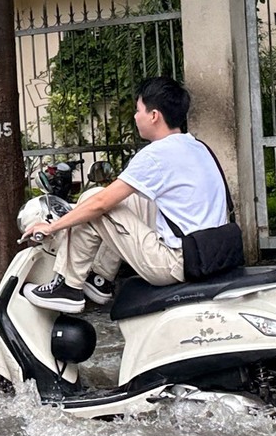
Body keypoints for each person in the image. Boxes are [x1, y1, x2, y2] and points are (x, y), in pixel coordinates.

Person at [18, 76, 227, 312]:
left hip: (175, 264)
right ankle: (100, 280)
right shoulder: (197, 146)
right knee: (128, 198)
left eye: (138, 110)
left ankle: (68, 287)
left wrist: (52, 227)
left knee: (93, 199)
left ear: (154, 115)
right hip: (205, 254)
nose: (136, 117)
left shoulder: (156, 154)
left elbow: (100, 203)